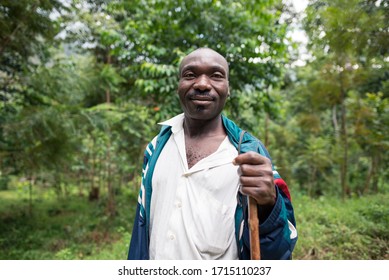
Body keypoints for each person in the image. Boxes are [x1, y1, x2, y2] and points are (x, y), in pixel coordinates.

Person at [127, 47, 297, 260]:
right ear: (178, 85)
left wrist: (269, 205)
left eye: (216, 76)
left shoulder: (249, 154)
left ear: (228, 88)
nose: (202, 84)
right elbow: (143, 228)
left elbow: (280, 249)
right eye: (190, 75)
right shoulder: (156, 147)